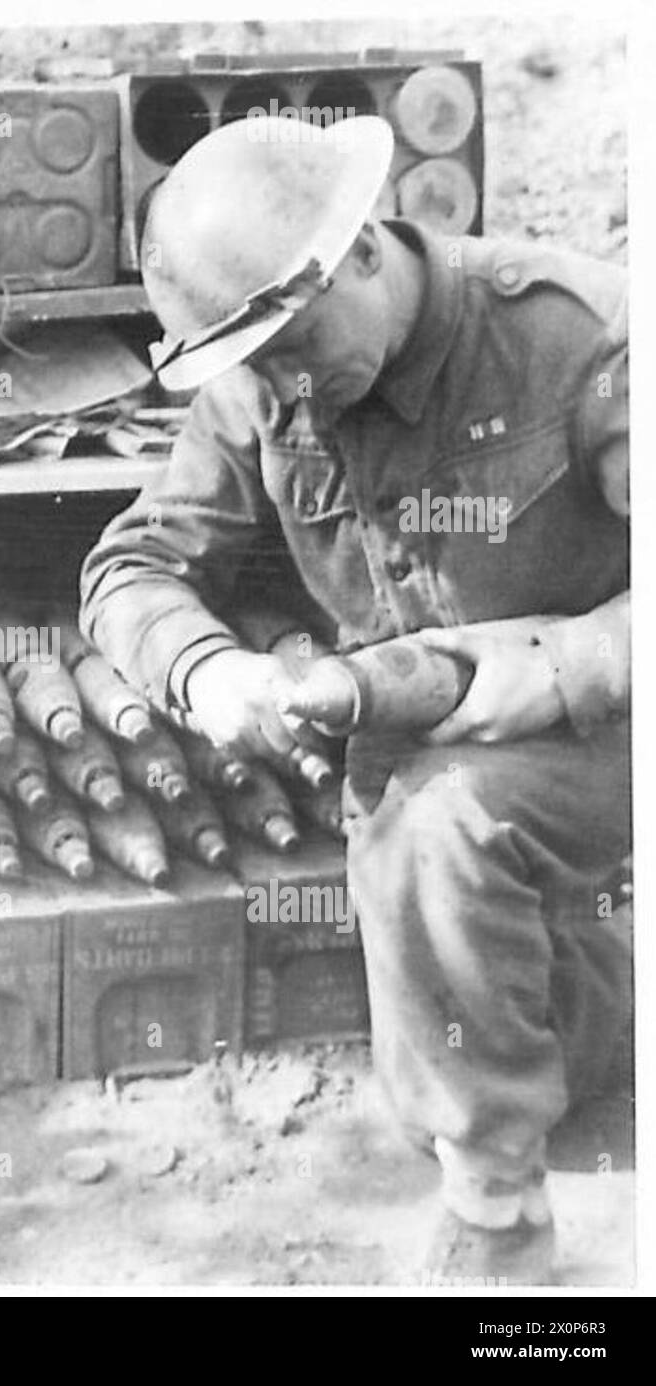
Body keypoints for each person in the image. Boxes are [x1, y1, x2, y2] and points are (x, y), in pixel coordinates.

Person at [78, 114, 631, 1285]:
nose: (281, 382)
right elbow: (131, 569)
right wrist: (204, 669)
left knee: (444, 827)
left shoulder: (578, 340)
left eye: (291, 340)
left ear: (366, 250)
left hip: (616, 729)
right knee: (451, 999)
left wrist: (563, 666)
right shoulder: (262, 387)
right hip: (425, 752)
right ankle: (573, 1043)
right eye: (253, 361)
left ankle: (495, 1232)